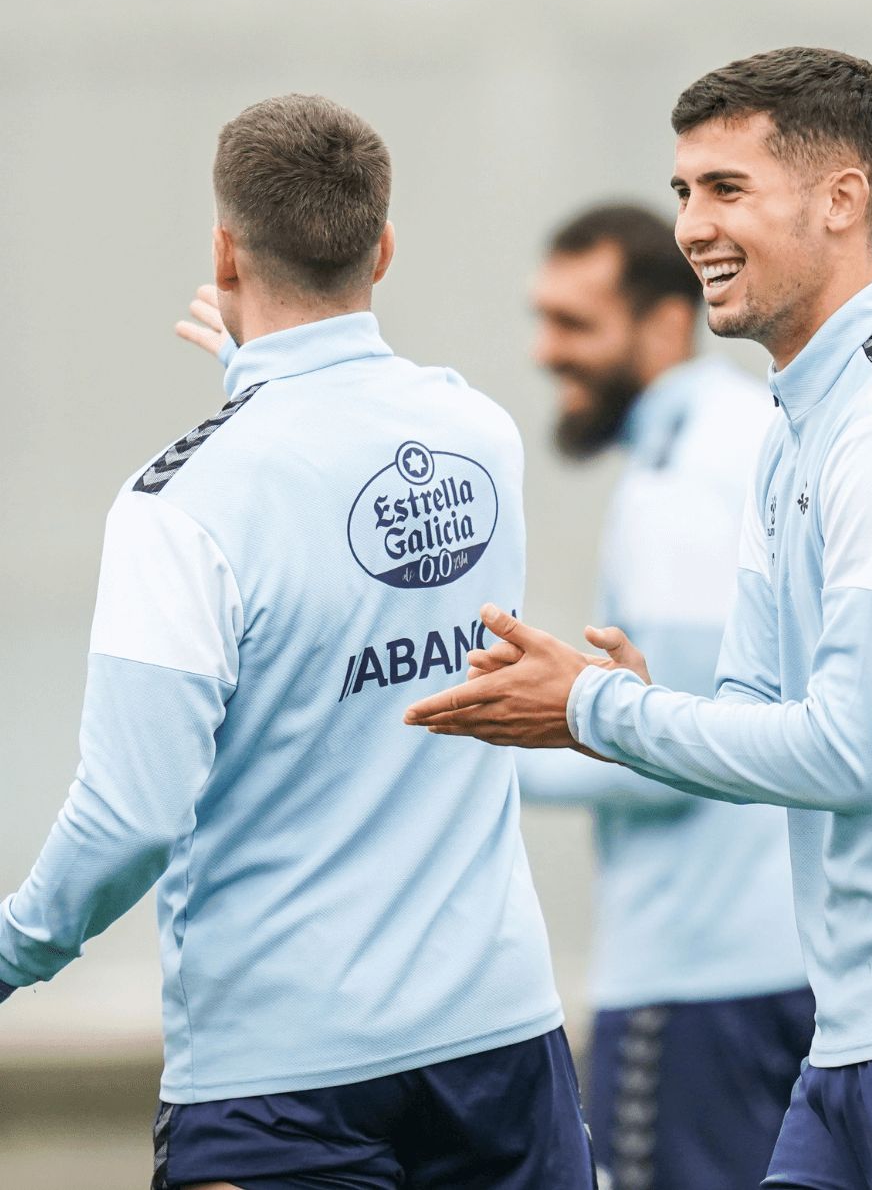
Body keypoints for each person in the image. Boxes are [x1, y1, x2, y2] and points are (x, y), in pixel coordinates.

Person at [406, 47, 872, 1189]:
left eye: (727, 189)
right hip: (857, 1033)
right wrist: (633, 707)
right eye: (684, 192)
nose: (693, 225)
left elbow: (850, 751)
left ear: (841, 199)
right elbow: (756, 713)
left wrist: (596, 709)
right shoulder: (794, 421)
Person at [0, 94, 592, 1189]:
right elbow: (343, 480)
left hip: (284, 1077)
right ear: (385, 244)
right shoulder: (479, 436)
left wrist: (14, 950)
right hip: (500, 1043)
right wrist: (258, 380)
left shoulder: (176, 506)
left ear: (224, 251)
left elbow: (130, 814)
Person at [519, 203, 810, 1189]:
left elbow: (682, 739)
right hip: (792, 963)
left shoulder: (684, 477)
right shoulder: (748, 432)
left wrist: (480, 759)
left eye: (573, 324)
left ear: (661, 325)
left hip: (697, 987)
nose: (545, 350)